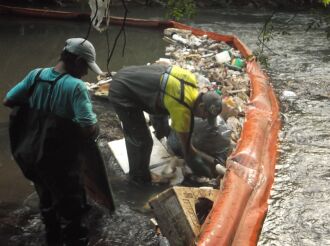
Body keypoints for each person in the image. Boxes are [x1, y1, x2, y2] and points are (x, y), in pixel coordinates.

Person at [3, 38, 104, 245]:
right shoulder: (76, 87)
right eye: (85, 66)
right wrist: (94, 127)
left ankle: (52, 238)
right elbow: (87, 127)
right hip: (61, 163)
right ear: (76, 60)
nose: (86, 73)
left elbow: (9, 100)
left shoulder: (36, 75)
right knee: (73, 214)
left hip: (33, 156)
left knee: (47, 202)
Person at [108, 64, 222, 185]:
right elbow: (188, 150)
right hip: (122, 92)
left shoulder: (191, 81)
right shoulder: (182, 110)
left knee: (163, 118)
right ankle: (138, 178)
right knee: (142, 141)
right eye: (206, 115)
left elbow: (164, 77)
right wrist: (207, 168)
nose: (204, 119)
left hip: (129, 74)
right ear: (201, 106)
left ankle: (157, 135)